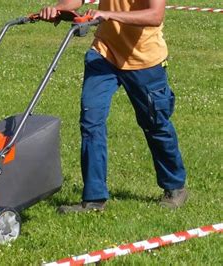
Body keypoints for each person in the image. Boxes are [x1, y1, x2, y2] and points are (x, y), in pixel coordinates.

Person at [39, 0, 188, 213]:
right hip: (104, 54)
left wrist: (109, 15)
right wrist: (59, 8)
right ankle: (94, 199)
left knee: (155, 124)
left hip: (144, 60)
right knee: (91, 121)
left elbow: (156, 16)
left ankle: (175, 187)